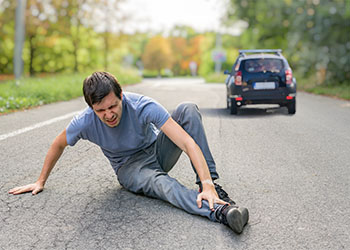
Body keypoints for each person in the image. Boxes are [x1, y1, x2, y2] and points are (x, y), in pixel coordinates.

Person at [9, 72, 249, 234]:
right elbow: (57, 144)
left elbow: (186, 142)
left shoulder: (143, 105)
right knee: (164, 185)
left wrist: (206, 182)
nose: (109, 114)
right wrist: (40, 181)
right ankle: (221, 211)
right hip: (131, 168)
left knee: (187, 109)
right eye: (100, 110)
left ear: (121, 96)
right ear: (91, 108)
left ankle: (212, 190)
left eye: (113, 106)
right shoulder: (84, 122)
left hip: (157, 151)